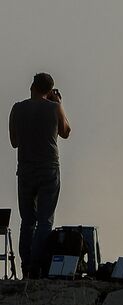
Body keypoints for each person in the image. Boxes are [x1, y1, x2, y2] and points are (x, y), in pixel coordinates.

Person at [9, 73, 71, 278]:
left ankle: (26, 264)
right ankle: (37, 265)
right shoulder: (55, 107)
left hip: (26, 169)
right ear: (50, 91)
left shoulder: (17, 108)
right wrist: (59, 104)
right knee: (45, 220)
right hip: (49, 168)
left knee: (27, 220)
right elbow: (66, 131)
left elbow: (14, 141)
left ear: (32, 86)